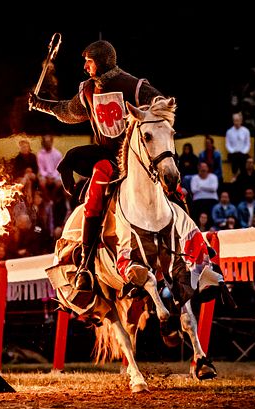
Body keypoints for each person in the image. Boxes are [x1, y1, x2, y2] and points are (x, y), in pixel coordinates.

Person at [28, 40, 162, 294]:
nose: (85, 66)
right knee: (87, 175)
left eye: (89, 61)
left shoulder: (134, 86)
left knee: (172, 182)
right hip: (107, 157)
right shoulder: (89, 90)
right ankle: (86, 266)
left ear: (101, 61)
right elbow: (68, 111)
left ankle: (195, 248)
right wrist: (41, 104)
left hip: (136, 159)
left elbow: (160, 104)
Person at [225, 113, 251, 180]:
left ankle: (243, 177)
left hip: (243, 154)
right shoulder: (229, 131)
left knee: (243, 160)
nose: (236, 122)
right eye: (235, 120)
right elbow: (228, 144)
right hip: (233, 154)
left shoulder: (246, 131)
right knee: (235, 159)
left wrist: (243, 152)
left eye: (238, 120)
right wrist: (232, 151)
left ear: (241, 121)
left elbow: (247, 144)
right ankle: (234, 177)